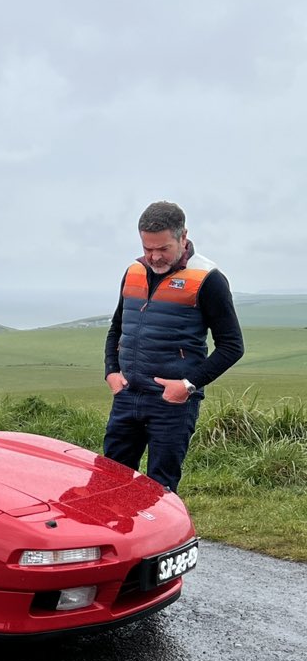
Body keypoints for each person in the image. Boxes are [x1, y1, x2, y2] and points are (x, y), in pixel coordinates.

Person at [103, 200, 244, 492]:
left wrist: (188, 386)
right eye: (147, 249)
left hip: (172, 403)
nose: (153, 257)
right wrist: (111, 371)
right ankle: (115, 539)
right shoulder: (133, 272)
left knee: (160, 491)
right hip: (128, 395)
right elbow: (117, 327)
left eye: (163, 248)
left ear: (183, 237)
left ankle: (160, 540)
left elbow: (232, 346)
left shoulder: (208, 278)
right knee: (110, 483)